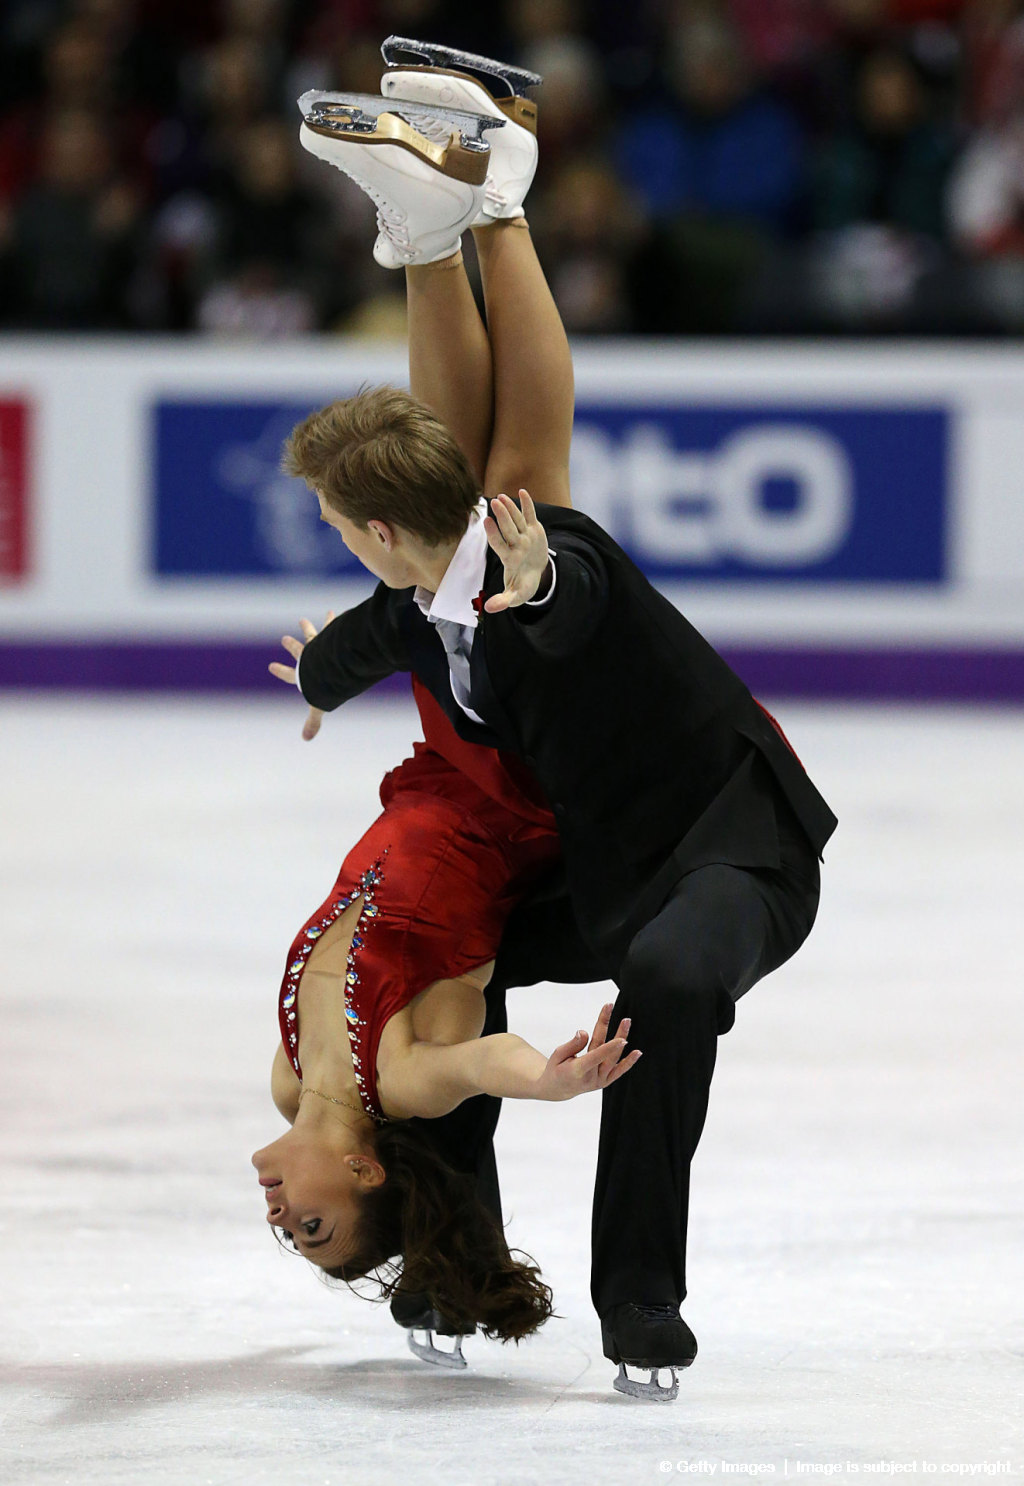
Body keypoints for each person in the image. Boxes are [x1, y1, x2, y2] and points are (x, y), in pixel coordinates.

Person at [277, 36, 838, 1401]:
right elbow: (398, 617)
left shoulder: (531, 569)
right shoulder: (431, 588)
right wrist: (321, 671)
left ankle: (640, 1288)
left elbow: (564, 586)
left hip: (728, 842)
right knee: (448, 960)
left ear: (364, 533)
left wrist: (532, 574)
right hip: (599, 858)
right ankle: (467, 207)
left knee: (670, 977)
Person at [256, 40, 636, 1362]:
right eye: (306, 1226)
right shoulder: (402, 1078)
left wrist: (335, 676)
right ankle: (503, 189)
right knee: (520, 480)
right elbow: (492, 1068)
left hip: (442, 761)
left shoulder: (283, 1074)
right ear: (361, 1182)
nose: (275, 1211)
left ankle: (430, 222)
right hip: (515, 784)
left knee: (453, 493)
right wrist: (561, 1076)